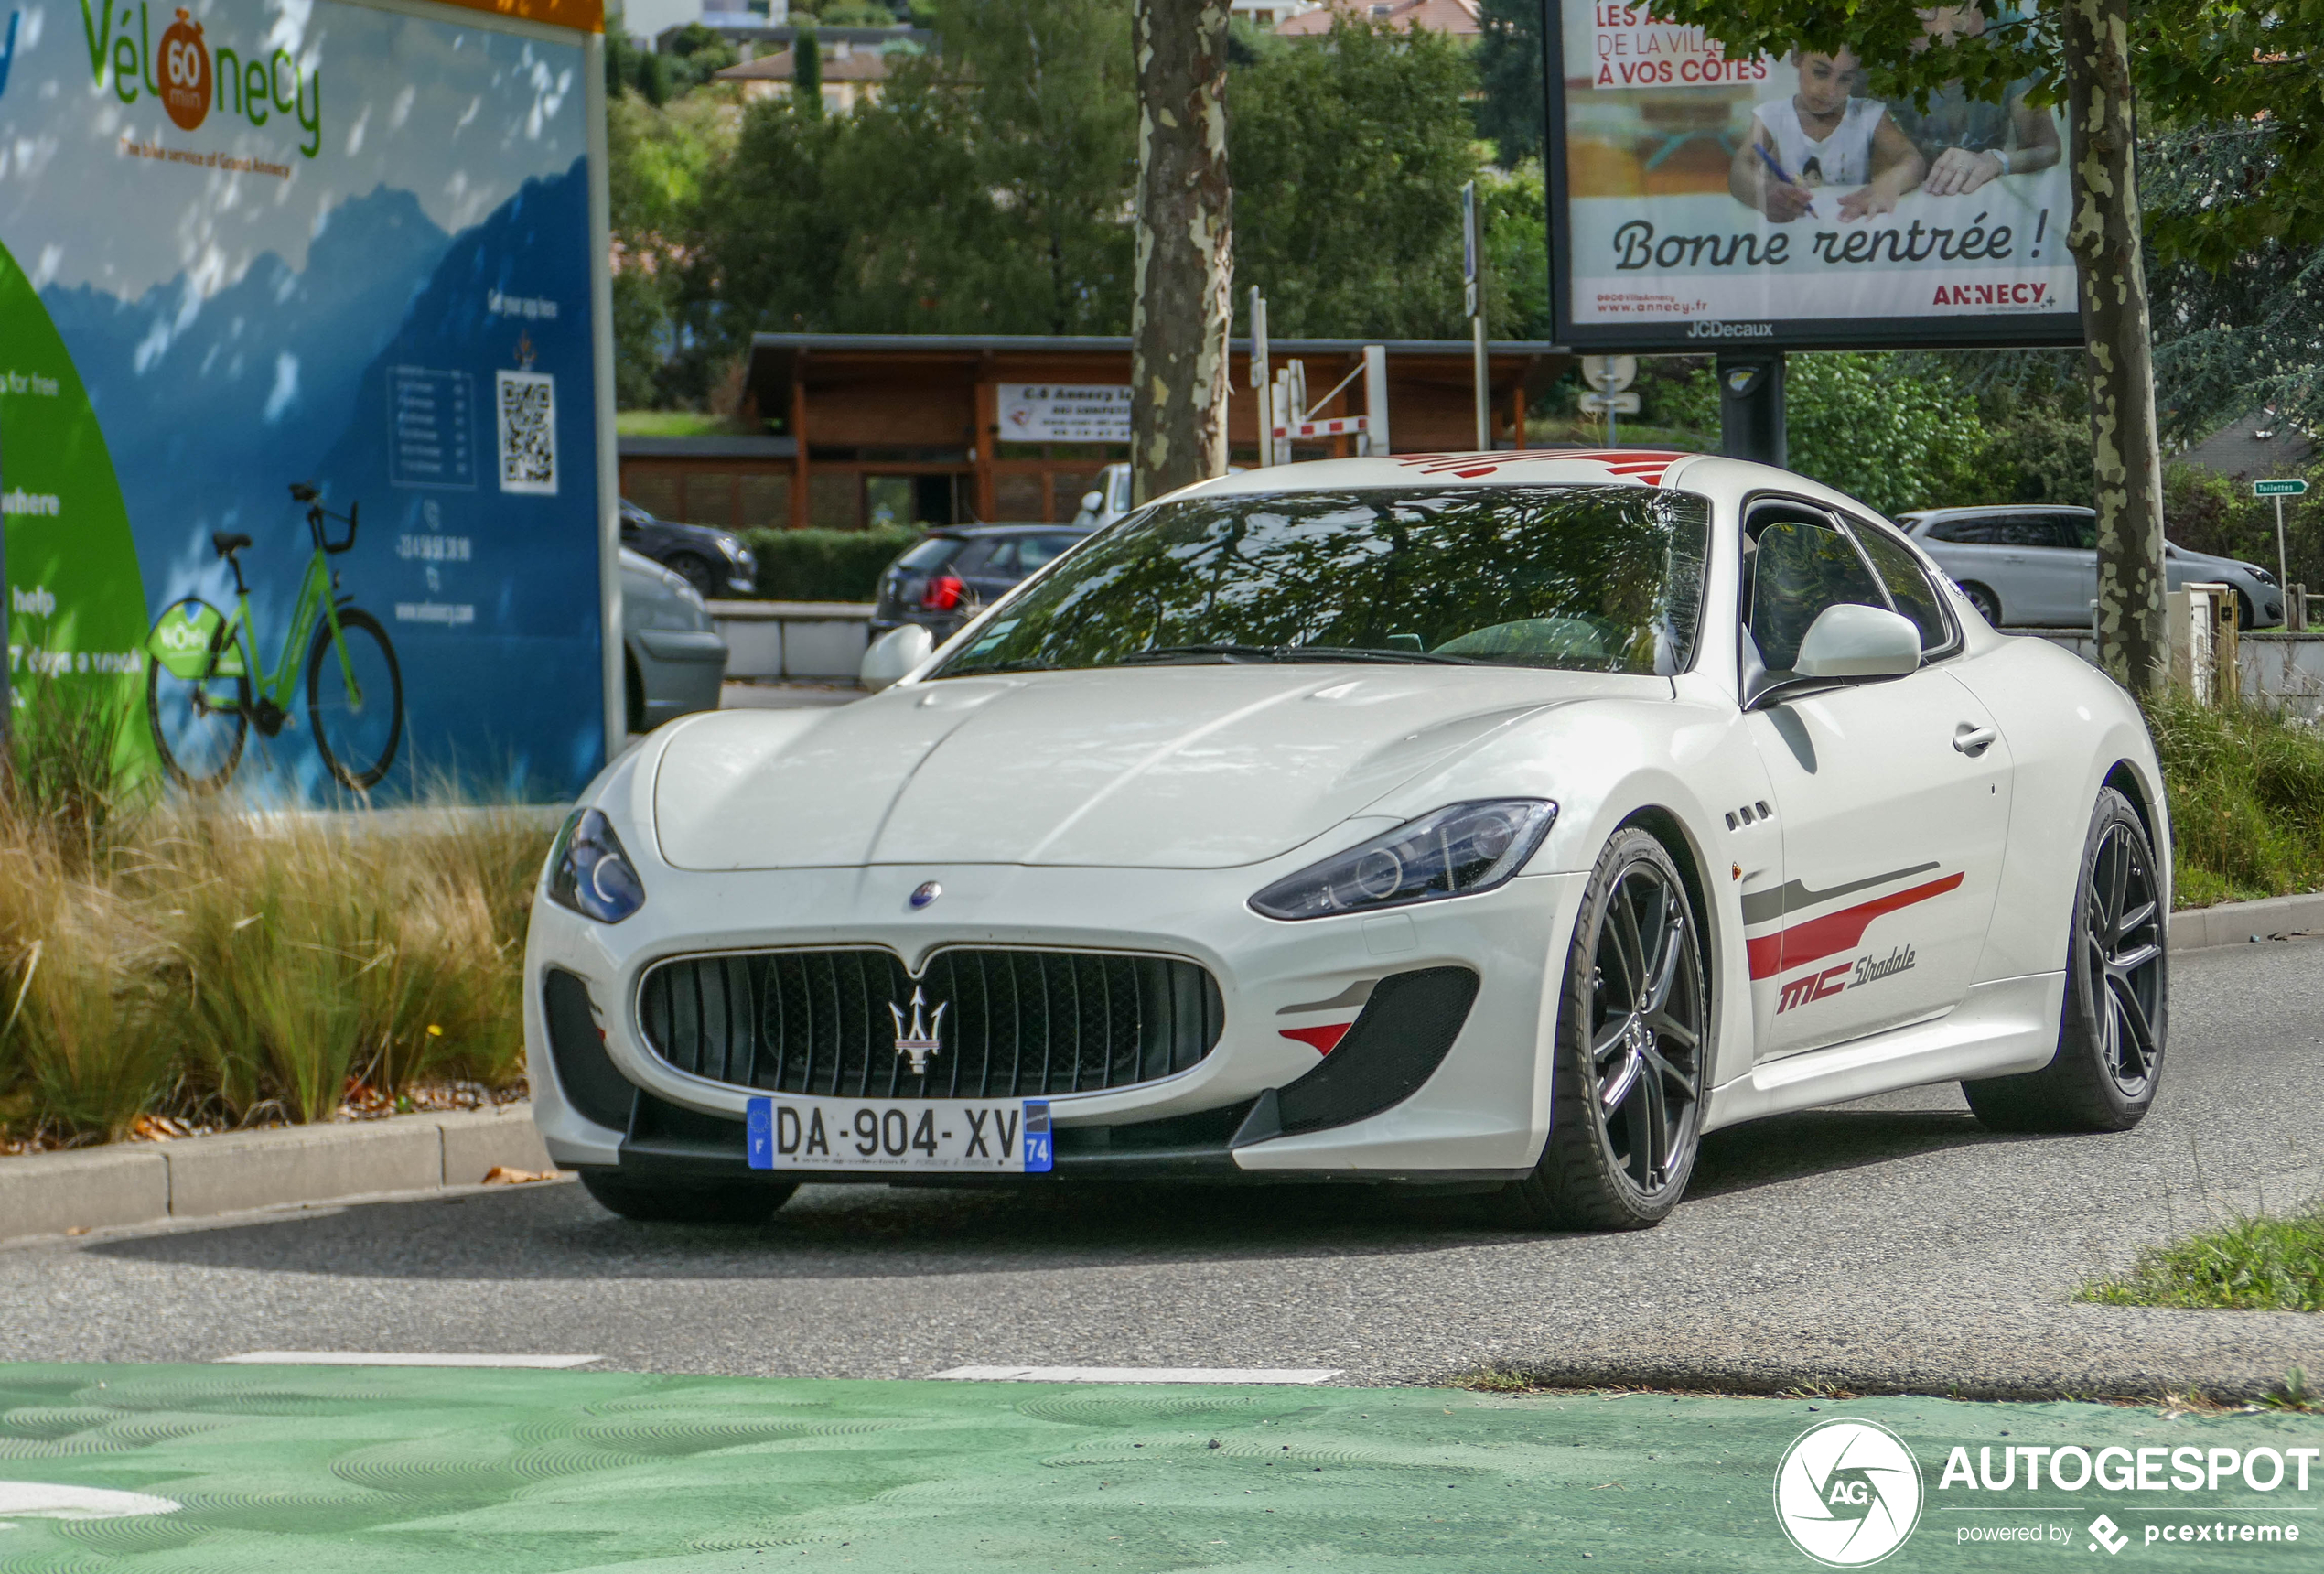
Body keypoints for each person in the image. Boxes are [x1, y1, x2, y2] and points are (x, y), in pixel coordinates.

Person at [1728, 48, 1927, 223]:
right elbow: (1740, 167)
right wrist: (1764, 192)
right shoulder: (1771, 115)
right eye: (1820, 73)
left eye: (1845, 79)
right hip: (1794, 232)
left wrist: (1888, 185)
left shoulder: (1868, 113)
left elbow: (1913, 160)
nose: (1830, 91)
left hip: (1850, 231)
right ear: (1797, 58)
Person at [1886, 5, 2061, 196]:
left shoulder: (2007, 31)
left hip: (1978, 202)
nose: (1909, 20)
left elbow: (2046, 147)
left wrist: (1995, 161)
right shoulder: (1875, 34)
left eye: (1927, 6)